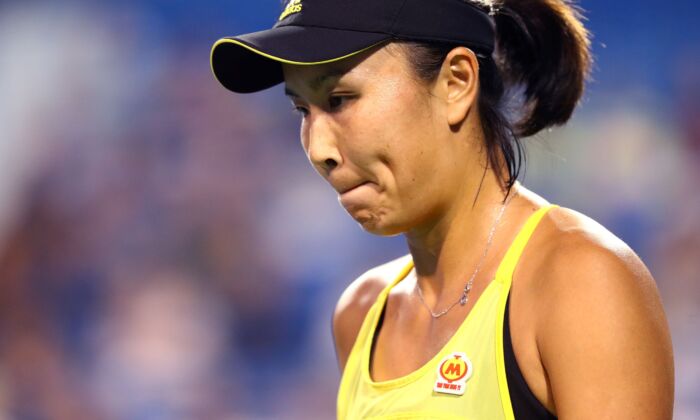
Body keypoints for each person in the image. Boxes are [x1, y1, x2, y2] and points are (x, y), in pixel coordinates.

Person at [210, 0, 674, 418]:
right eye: (302, 112)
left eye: (340, 99)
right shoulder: (362, 314)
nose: (318, 148)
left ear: (456, 82)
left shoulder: (580, 282)